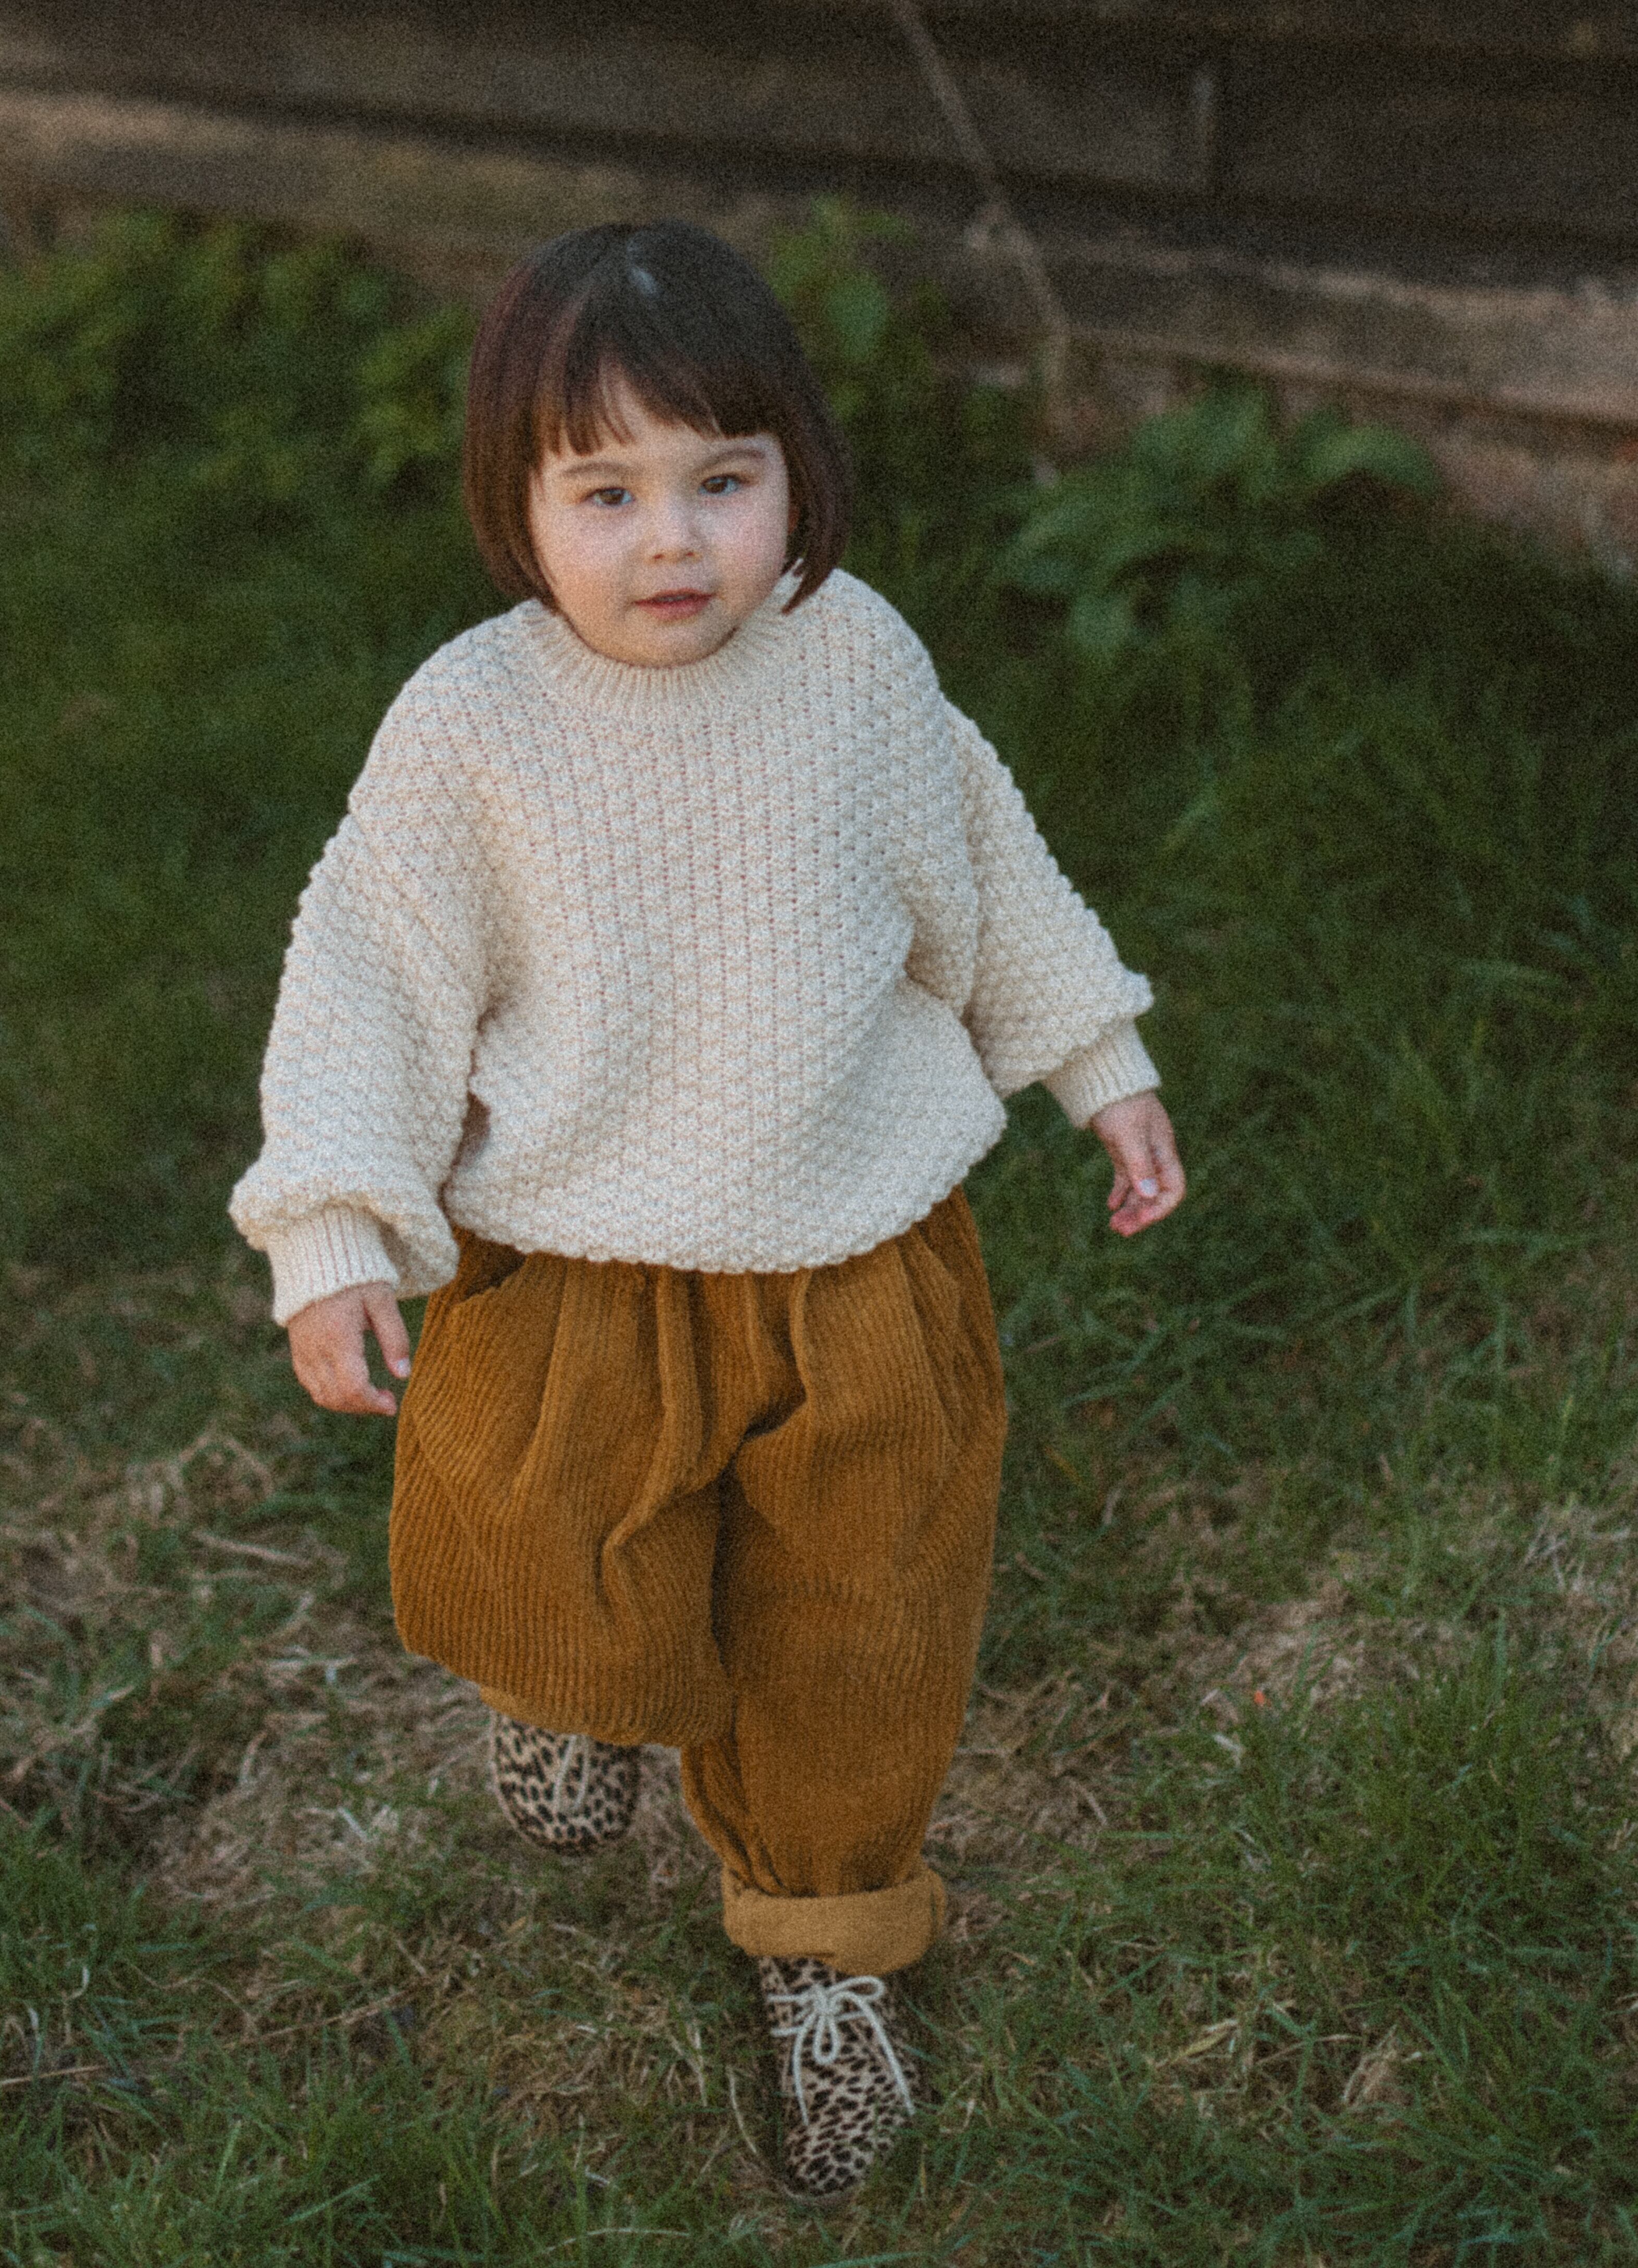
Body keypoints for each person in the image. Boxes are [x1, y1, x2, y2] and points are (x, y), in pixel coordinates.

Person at [230, 219, 1184, 2202]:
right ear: (518, 506)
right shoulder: (474, 728)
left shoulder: (857, 664)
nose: (673, 539)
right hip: (581, 1263)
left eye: (721, 481)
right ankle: (575, 1697)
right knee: (547, 1537)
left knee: (863, 1615)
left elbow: (986, 867)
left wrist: (1097, 1059)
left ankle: (826, 1944)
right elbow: (370, 978)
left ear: (794, 477)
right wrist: (333, 1226)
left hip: (860, 1264)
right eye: (607, 492)